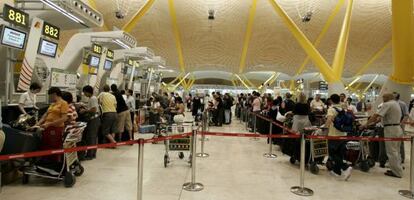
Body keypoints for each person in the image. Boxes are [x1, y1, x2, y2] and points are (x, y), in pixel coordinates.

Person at [361, 93, 403, 178]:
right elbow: (380, 118)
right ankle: (397, 169)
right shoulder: (395, 103)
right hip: (397, 128)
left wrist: (365, 124)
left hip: (390, 129)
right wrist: (371, 124)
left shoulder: (387, 104)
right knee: (396, 151)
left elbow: (376, 116)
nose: (382, 98)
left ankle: (396, 173)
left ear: (388, 97)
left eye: (383, 97)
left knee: (391, 151)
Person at [35, 87, 69, 161]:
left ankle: (54, 164)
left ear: (54, 94)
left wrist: (49, 124)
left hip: (56, 129)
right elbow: (45, 115)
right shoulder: (53, 104)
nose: (50, 98)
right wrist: (37, 124)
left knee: (54, 147)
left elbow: (64, 118)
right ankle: (46, 164)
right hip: (47, 129)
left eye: (50, 96)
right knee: (46, 146)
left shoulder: (63, 103)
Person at [324, 94, 352, 180]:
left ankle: (345, 167)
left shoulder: (331, 109)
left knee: (331, 153)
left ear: (331, 100)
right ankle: (337, 171)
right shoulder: (343, 108)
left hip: (334, 134)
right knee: (339, 153)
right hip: (343, 134)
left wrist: (325, 129)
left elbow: (329, 120)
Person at [80, 85, 100, 160]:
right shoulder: (92, 98)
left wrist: (85, 110)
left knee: (91, 137)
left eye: (84, 92)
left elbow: (94, 109)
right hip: (94, 120)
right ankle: (92, 153)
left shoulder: (93, 98)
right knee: (93, 137)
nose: (84, 94)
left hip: (94, 120)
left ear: (87, 92)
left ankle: (90, 155)